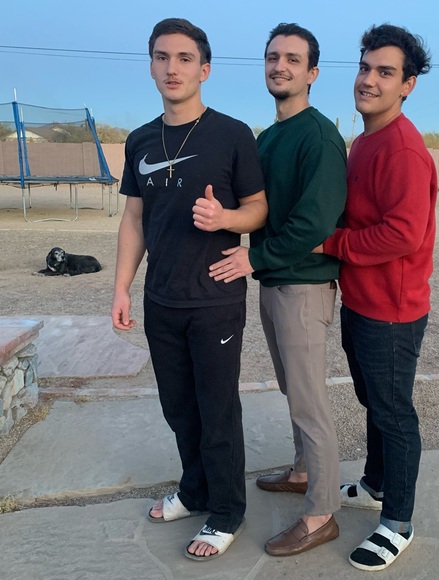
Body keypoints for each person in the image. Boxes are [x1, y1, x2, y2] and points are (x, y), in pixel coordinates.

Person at [111, 18, 267, 562]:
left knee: (216, 408)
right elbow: (134, 219)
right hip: (161, 299)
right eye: (162, 57)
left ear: (205, 69)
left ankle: (226, 511)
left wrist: (225, 218)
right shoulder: (140, 140)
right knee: (178, 406)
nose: (172, 68)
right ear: (151, 66)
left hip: (214, 298)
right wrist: (122, 287)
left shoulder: (232, 134)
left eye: (183, 58)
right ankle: (195, 489)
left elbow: (258, 208)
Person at [209, 23, 347, 557]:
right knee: (294, 389)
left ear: (312, 73)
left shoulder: (319, 137)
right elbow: (255, 206)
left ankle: (320, 514)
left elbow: (315, 222)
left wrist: (254, 257)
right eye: (272, 57)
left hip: (303, 287)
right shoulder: (267, 138)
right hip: (274, 282)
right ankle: (303, 470)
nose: (280, 66)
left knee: (309, 401)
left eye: (292, 59)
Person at [315, 23, 437, 572]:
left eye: (385, 72)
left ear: (407, 85)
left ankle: (398, 523)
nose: (369, 80)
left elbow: (403, 234)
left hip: (392, 311)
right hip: (361, 301)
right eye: (365, 68)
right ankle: (376, 483)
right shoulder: (364, 140)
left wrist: (332, 243)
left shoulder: (404, 149)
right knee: (375, 401)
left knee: (394, 413)